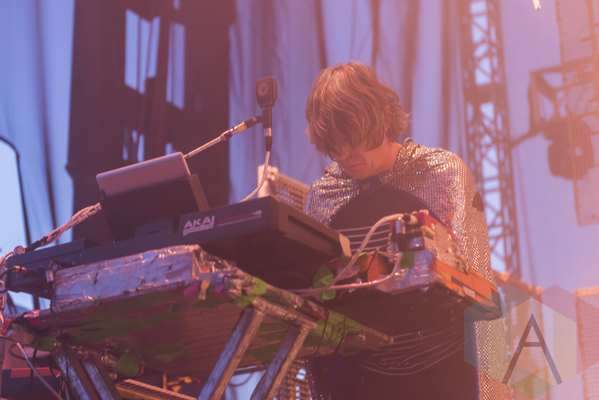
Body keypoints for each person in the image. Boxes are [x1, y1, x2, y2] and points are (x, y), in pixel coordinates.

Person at [304, 62, 511, 399]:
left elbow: (481, 290)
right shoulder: (323, 195)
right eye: (333, 146)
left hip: (446, 374)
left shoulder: (442, 173)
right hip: (367, 382)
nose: (344, 156)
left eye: (352, 141)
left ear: (381, 120)